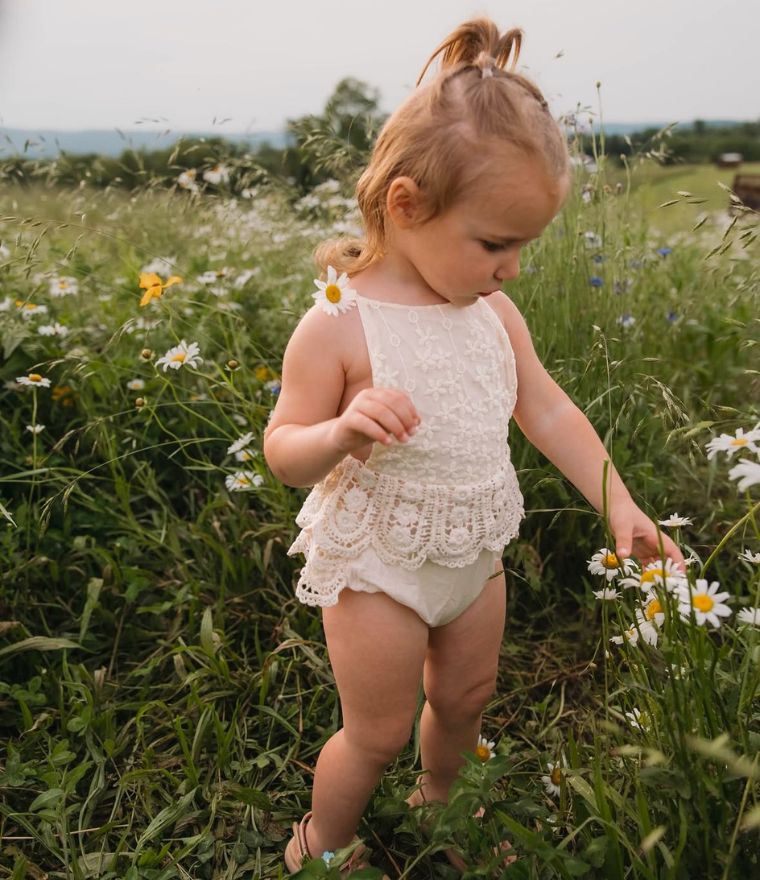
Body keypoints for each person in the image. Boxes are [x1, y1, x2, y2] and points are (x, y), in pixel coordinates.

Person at [263, 17, 684, 876]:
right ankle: (323, 843)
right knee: (375, 729)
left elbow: (550, 411)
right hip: (379, 557)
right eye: (496, 244)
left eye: (524, 246)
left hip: (473, 551)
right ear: (407, 205)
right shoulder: (340, 322)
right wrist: (341, 432)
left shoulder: (492, 313)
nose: (514, 267)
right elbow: (282, 448)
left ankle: (442, 801)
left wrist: (620, 502)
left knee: (465, 698)